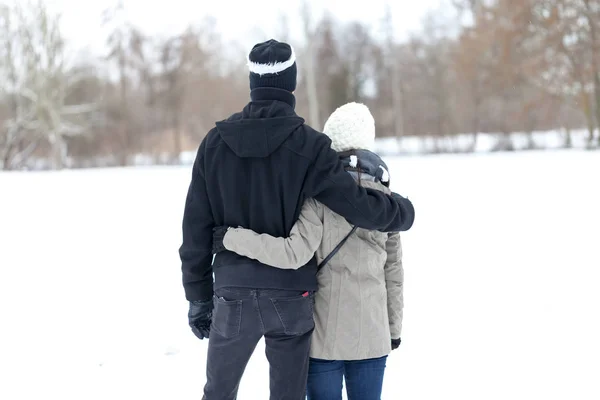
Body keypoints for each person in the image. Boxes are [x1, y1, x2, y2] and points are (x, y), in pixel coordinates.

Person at [179, 39, 414, 400]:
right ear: (292, 81)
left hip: (233, 292)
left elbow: (195, 227)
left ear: (252, 82)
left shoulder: (214, 143)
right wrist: (401, 211)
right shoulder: (310, 146)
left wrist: (198, 296)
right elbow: (354, 205)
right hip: (291, 295)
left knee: (218, 393)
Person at [212, 102, 406, 400]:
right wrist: (393, 329)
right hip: (373, 334)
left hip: (323, 338)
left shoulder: (318, 199)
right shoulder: (388, 204)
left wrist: (232, 238)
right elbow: (393, 273)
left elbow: (292, 253)